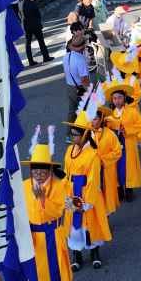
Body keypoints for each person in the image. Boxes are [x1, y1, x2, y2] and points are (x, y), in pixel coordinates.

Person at [21, 127, 72, 281]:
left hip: (51, 233)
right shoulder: (24, 186)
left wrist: (44, 200)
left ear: (50, 169)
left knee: (53, 268)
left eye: (43, 169)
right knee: (36, 269)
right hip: (32, 235)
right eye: (35, 169)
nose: (39, 173)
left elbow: (61, 210)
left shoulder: (60, 186)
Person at [62, 111, 113, 271]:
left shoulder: (92, 154)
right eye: (72, 134)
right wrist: (65, 194)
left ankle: (94, 254)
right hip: (71, 191)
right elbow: (66, 173)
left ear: (85, 135)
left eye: (76, 134)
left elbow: (93, 179)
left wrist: (87, 202)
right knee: (74, 227)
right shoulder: (69, 150)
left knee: (90, 225)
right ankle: (76, 255)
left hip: (87, 192)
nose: (73, 137)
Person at [106, 81, 141, 200]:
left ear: (124, 98)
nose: (117, 100)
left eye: (119, 98)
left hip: (128, 143)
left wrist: (126, 129)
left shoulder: (132, 112)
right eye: (114, 98)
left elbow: (140, 125)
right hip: (115, 145)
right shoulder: (110, 115)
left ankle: (129, 190)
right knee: (117, 167)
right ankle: (119, 190)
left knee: (128, 167)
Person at [63, 36, 90, 126]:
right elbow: (84, 80)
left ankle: (69, 133)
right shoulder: (80, 59)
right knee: (85, 111)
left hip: (69, 87)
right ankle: (83, 132)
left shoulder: (66, 56)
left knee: (72, 111)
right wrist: (90, 92)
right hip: (79, 88)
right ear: (83, 47)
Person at [21, 0, 53, 67]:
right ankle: (46, 57)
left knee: (28, 43)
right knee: (41, 41)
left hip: (27, 25)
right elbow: (37, 15)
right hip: (35, 25)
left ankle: (30, 60)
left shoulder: (23, 3)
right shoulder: (32, 3)